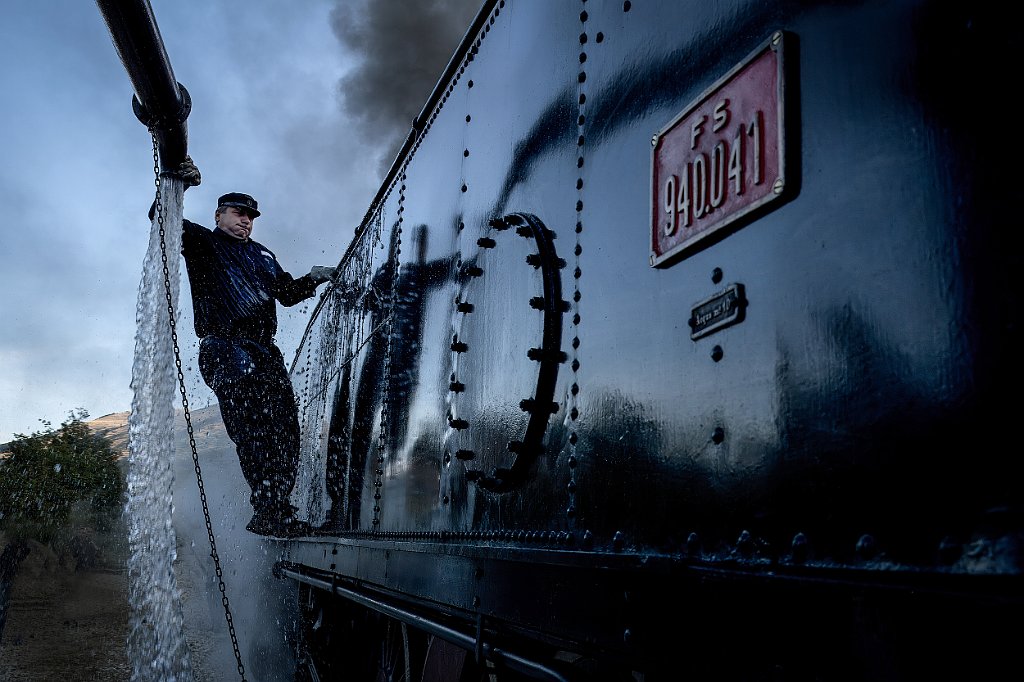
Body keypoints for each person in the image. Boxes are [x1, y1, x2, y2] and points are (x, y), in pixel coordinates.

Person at [154, 156, 336, 537]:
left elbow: (286, 295)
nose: (246, 220)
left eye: (251, 216)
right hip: (224, 348)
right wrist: (177, 186)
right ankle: (269, 508)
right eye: (238, 213)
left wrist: (315, 277)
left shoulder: (264, 255)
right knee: (253, 430)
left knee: (285, 430)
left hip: (264, 351)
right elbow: (161, 218)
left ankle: (276, 509)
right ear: (219, 215)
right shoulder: (204, 243)